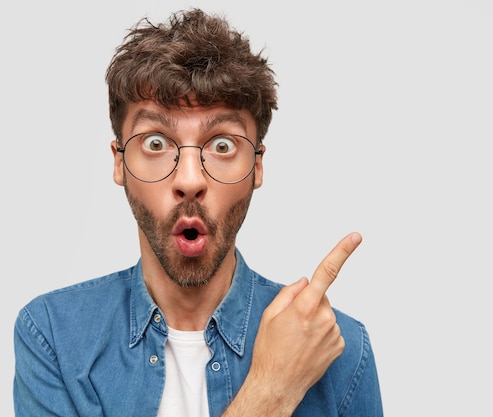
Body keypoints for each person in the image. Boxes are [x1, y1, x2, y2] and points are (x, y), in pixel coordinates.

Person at [13, 8, 383, 417]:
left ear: (257, 167)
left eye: (222, 146)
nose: (189, 179)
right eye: (156, 143)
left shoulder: (336, 347)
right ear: (119, 162)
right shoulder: (53, 336)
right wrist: (272, 389)